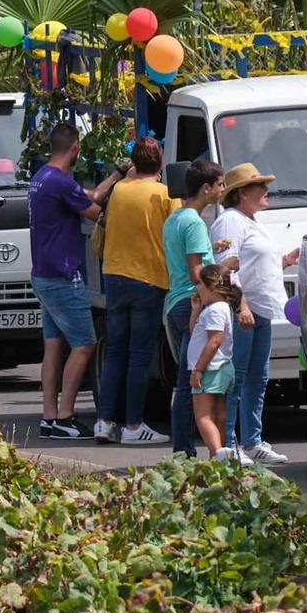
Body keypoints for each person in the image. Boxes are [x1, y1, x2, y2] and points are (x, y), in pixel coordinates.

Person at [27, 122, 125, 439]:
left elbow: (84, 194)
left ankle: (49, 416)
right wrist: (122, 183)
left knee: (54, 346)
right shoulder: (59, 182)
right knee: (84, 344)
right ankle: (66, 417)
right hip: (62, 275)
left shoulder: (42, 178)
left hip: (43, 272)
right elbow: (96, 208)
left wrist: (115, 175)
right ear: (75, 148)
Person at [210, 163, 301, 464]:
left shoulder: (250, 220)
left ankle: (251, 440)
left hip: (259, 311)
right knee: (236, 376)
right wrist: (242, 305)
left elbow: (256, 264)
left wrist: (285, 260)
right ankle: (230, 443)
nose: (265, 190)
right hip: (244, 311)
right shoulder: (231, 222)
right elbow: (227, 267)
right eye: (258, 185)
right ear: (241, 194)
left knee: (257, 376)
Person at [94, 136, 175, 445]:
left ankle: (104, 421)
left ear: (134, 163)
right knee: (139, 356)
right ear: (160, 163)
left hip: (114, 275)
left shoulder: (118, 192)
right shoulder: (164, 195)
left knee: (115, 351)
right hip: (148, 277)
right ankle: (132, 425)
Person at [162, 161, 225, 455]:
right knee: (191, 381)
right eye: (220, 184)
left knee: (185, 380)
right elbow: (196, 272)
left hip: (176, 301)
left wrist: (215, 249)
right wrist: (224, 267)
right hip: (192, 302)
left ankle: (182, 449)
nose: (222, 190)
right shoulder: (195, 222)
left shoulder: (175, 218)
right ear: (206, 188)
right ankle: (183, 450)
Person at [187, 264, 243, 461]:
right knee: (219, 416)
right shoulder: (218, 308)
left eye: (200, 284)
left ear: (212, 287)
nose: (197, 288)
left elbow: (214, 340)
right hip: (223, 369)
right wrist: (196, 310)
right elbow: (195, 331)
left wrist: (198, 369)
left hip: (211, 369)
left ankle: (218, 453)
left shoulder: (214, 311)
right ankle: (217, 453)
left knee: (203, 416)